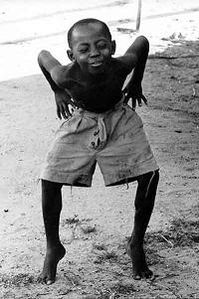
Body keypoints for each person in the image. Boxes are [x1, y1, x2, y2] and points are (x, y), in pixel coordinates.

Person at [37, 18, 159, 285]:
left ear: (112, 46)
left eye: (101, 45)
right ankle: (53, 247)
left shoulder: (121, 66)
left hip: (119, 117)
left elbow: (142, 43)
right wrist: (57, 91)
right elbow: (43, 56)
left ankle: (136, 243)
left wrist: (136, 82)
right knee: (49, 178)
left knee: (149, 175)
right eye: (84, 49)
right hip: (82, 120)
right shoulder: (64, 74)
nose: (94, 53)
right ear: (71, 55)